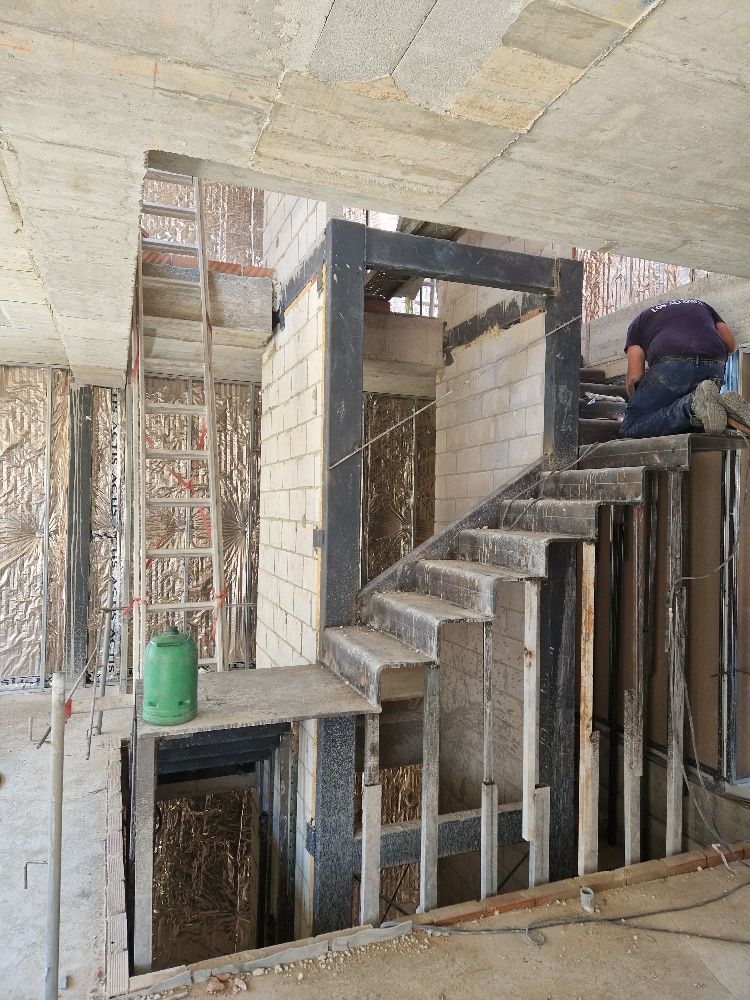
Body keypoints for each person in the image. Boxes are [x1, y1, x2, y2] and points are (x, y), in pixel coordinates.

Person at [620, 297, 750, 438]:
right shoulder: (701, 305)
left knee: (630, 427)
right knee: (703, 404)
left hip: (671, 363)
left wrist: (638, 403)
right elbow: (730, 345)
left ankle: (691, 406)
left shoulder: (639, 321)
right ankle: (723, 403)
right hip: (714, 363)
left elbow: (635, 376)